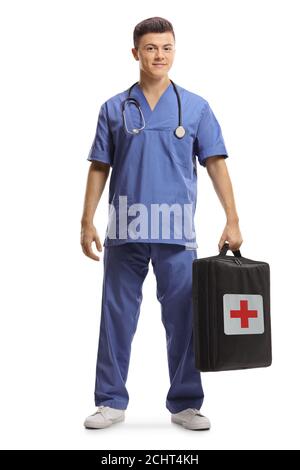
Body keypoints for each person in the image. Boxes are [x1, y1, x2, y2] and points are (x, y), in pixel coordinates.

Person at [81, 16, 243, 431]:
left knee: (186, 321)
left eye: (167, 47)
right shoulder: (114, 108)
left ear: (175, 51)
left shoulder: (195, 107)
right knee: (116, 317)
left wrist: (233, 218)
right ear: (135, 52)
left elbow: (215, 164)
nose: (159, 55)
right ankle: (110, 401)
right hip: (126, 230)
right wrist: (87, 220)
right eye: (151, 48)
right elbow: (100, 166)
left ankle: (186, 402)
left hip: (176, 232)